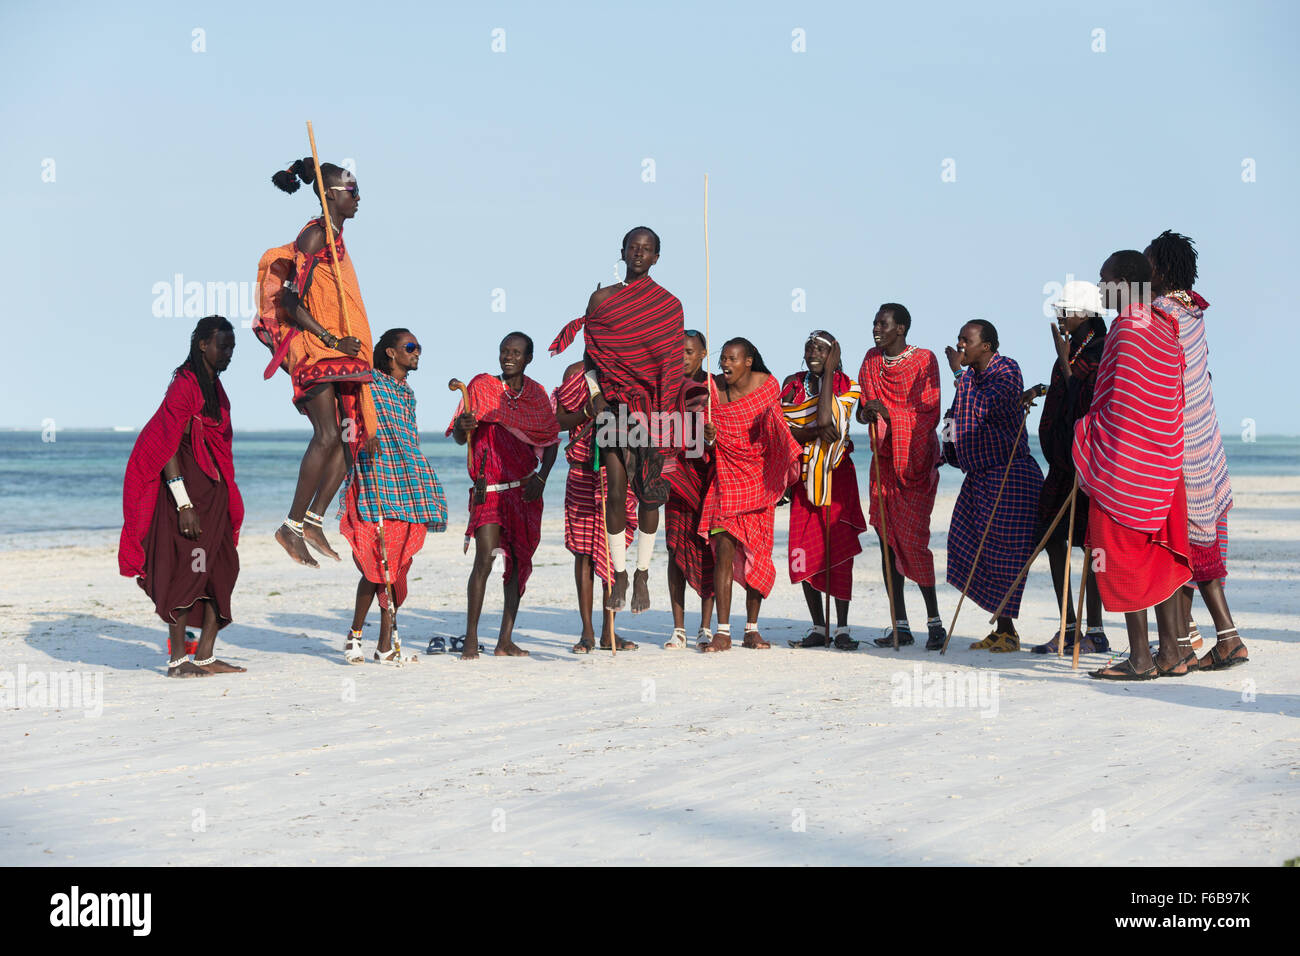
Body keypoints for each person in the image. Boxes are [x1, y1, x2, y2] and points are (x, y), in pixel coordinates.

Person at [549, 227, 686, 613]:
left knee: (650, 495)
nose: (639, 254)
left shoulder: (669, 305)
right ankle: (621, 573)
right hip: (612, 409)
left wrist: (667, 414)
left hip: (655, 411)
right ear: (622, 252)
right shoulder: (603, 300)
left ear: (657, 257)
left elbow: (671, 366)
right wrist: (594, 398)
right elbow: (593, 356)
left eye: (647, 250)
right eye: (633, 247)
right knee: (614, 491)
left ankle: (643, 571)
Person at [1076, 251, 1194, 679]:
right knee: (1159, 557)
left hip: (1125, 466)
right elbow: (1167, 400)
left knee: (1121, 558)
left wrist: (1086, 434)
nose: (1101, 286)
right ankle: (1173, 654)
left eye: (1104, 279)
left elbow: (1121, 406)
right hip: (1164, 466)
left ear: (1124, 282)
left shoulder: (1128, 327)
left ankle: (1141, 659)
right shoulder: (1166, 326)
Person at [119, 316, 245, 677]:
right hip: (188, 498)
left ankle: (204, 655)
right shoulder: (184, 385)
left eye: (232, 347)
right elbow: (167, 445)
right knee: (187, 571)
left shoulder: (216, 391)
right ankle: (177, 660)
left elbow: (218, 446)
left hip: (214, 498)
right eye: (223, 345)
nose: (229, 353)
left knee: (221, 570)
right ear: (203, 344)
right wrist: (183, 503)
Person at [270, 158, 380, 569]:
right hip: (316, 350)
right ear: (331, 194)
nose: (358, 198)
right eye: (352, 191)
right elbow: (289, 301)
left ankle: (313, 521)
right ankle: (290, 525)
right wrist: (333, 338)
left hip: (341, 356)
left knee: (352, 435)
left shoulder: (337, 237)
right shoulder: (316, 236)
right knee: (328, 434)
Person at [1147, 230, 1247, 670]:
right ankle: (1189, 639)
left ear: (1163, 272)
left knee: (1175, 543)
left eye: (1147, 264)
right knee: (1187, 543)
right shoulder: (1192, 310)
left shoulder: (1160, 314)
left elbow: (1162, 384)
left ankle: (1221, 639)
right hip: (1204, 441)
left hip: (1178, 444)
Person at [339, 329, 448, 664]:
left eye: (418, 347)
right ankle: (355, 634)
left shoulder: (408, 393)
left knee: (396, 567)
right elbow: (346, 415)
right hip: (376, 478)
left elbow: (410, 438)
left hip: (408, 484)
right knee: (375, 566)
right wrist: (359, 440)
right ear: (390, 352)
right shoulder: (368, 381)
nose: (417, 352)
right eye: (410, 347)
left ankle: (385, 645)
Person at [448, 333, 559, 659]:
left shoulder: (536, 394)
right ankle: (471, 638)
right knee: (485, 559)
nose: (508, 357)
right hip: (490, 491)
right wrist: (462, 427)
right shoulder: (481, 387)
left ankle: (504, 640)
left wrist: (542, 477)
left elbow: (550, 438)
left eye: (516, 353)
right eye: (504, 351)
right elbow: (459, 437)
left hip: (524, 492)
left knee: (518, 562)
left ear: (528, 359)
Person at [942, 320, 1044, 652]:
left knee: (1007, 554)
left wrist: (958, 376)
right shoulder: (969, 379)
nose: (960, 346)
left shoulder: (1007, 371)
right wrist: (947, 445)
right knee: (968, 543)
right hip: (981, 477)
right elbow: (954, 417)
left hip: (1010, 476)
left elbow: (987, 407)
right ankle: (1004, 628)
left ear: (986, 347)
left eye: (966, 340)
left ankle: (1014, 632)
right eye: (958, 339)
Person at [699, 338, 802, 652]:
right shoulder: (711, 390)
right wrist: (710, 438)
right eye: (723, 360)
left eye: (732, 359)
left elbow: (775, 431)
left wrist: (787, 463)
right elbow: (705, 441)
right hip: (724, 479)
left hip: (757, 482)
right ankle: (723, 632)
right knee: (724, 554)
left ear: (748, 361)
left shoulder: (768, 386)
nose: (725, 365)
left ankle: (752, 629)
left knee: (758, 554)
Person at [857, 304, 947, 650]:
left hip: (915, 462)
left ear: (902, 328)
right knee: (886, 541)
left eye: (884, 323)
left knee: (913, 542)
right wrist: (869, 412)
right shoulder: (870, 360)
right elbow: (865, 405)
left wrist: (890, 415)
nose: (876, 328)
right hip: (882, 463)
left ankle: (935, 622)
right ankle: (900, 624)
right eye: (875, 322)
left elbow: (929, 410)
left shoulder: (924, 359)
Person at [1031, 282, 1109, 655]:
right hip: (1062, 465)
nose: (1060, 317)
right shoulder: (1074, 346)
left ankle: (1094, 632)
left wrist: (1064, 362)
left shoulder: (1100, 348)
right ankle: (1070, 627)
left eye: (1065, 310)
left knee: (1093, 546)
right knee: (1051, 536)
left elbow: (1088, 401)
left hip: (1088, 464)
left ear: (1083, 312)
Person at [781, 331, 866, 650]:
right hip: (803, 477)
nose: (812, 351)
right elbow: (783, 428)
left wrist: (829, 373)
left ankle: (842, 628)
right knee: (803, 550)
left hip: (837, 474)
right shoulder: (792, 383)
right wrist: (810, 431)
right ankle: (818, 627)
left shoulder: (845, 383)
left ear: (833, 353)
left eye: (821, 348)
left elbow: (831, 425)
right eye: (808, 347)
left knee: (839, 551)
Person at [553, 359, 639, 652]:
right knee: (583, 553)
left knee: (614, 551)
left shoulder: (626, 370)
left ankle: (609, 632)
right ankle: (587, 632)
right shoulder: (575, 373)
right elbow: (558, 422)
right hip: (581, 469)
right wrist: (588, 412)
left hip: (616, 470)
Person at [664, 330, 716, 649]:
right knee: (674, 547)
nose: (681, 357)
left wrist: (712, 435)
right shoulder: (667, 386)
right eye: (677, 351)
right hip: (675, 474)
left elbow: (727, 427)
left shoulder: (714, 387)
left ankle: (706, 626)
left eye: (687, 351)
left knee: (708, 546)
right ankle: (679, 628)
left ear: (702, 354)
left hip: (708, 476)